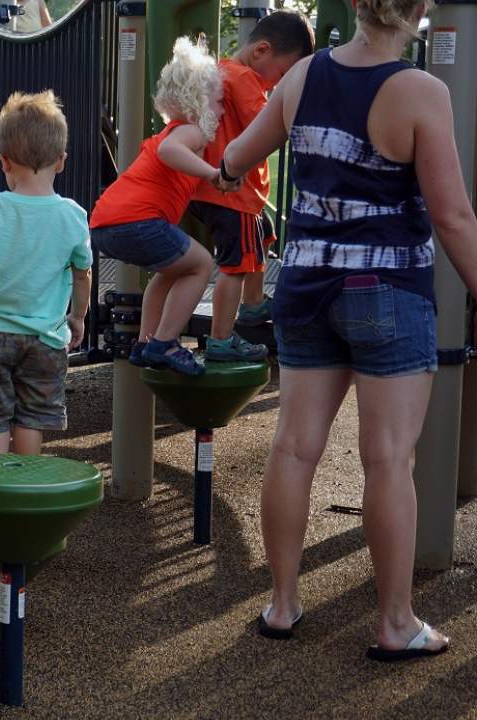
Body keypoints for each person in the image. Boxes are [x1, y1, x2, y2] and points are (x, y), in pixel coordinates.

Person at [223, 0, 477, 659]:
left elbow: (237, 157)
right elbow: (452, 217)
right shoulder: (420, 92)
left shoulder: (303, 74)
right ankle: (394, 624)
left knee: (292, 448)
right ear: (417, 10)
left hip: (306, 285)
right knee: (390, 458)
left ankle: (281, 604)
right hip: (387, 290)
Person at [0, 90, 91, 455]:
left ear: (4, 162)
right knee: (32, 415)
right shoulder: (73, 217)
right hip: (45, 337)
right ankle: (24, 485)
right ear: (61, 161)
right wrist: (78, 316)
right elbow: (82, 274)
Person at [89, 38, 236, 376]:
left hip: (105, 225)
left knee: (168, 273)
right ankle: (165, 342)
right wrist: (215, 174)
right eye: (217, 103)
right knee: (200, 264)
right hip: (137, 221)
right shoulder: (190, 133)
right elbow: (170, 152)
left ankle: (145, 342)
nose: (222, 111)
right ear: (197, 102)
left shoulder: (176, 132)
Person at [188, 10, 313, 362]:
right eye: (284, 73)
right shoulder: (243, 80)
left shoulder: (227, 70)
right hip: (232, 196)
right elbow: (267, 125)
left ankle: (255, 304)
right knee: (237, 265)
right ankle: (221, 339)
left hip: (229, 195)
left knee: (263, 235)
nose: (279, 83)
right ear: (261, 51)